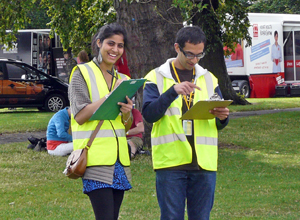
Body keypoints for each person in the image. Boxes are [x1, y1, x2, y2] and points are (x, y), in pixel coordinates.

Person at [142, 26, 230, 220]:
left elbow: (217, 123)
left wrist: (223, 117)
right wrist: (172, 91)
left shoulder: (209, 78)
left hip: (204, 164)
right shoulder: (156, 77)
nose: (194, 60)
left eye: (199, 55)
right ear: (177, 48)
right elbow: (149, 114)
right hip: (171, 163)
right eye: (189, 54)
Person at [68, 22, 133, 220]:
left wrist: (128, 113)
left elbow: (126, 126)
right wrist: (108, 98)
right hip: (94, 158)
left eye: (120, 46)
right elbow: (79, 116)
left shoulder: (123, 78)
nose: (115, 50)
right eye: (110, 44)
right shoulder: (82, 72)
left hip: (119, 161)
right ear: (99, 43)